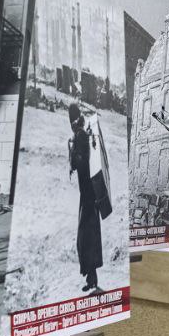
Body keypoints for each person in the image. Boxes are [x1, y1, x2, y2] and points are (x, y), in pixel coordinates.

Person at [67, 102, 103, 294]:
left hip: (89, 195)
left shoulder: (80, 135)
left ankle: (92, 278)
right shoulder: (81, 134)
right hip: (88, 194)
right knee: (88, 237)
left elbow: (83, 163)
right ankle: (92, 278)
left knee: (86, 238)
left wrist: (73, 158)